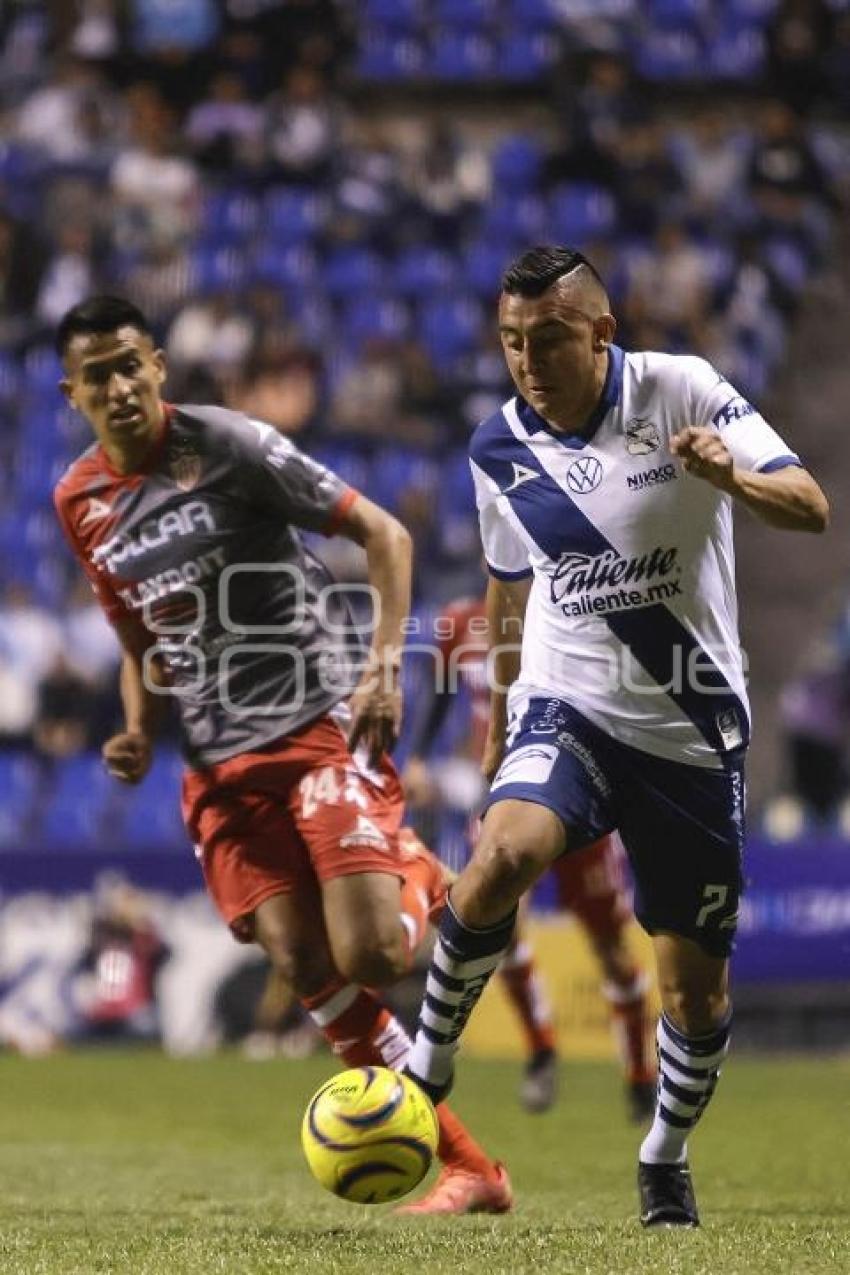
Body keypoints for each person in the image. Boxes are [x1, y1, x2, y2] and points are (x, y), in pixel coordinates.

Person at [52, 294, 511, 1216]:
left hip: (317, 725)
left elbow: (386, 532)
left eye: (131, 363)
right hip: (219, 767)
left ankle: (421, 871)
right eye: (97, 372)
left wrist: (384, 671)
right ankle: (472, 1170)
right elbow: (135, 632)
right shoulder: (80, 502)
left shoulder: (229, 446)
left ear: (159, 369)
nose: (119, 384)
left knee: (372, 954)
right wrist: (139, 724)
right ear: (72, 393)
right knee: (305, 966)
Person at [402, 246, 829, 1227]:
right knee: (501, 853)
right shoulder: (496, 447)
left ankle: (663, 1154)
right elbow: (506, 591)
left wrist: (734, 477)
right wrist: (500, 718)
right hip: (569, 708)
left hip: (685, 728)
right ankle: (420, 1071)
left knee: (695, 996)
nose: (526, 361)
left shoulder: (682, 389)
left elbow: (808, 508)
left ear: (599, 332)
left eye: (546, 339)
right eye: (510, 342)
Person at [404, 592, 655, 1118]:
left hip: (579, 802)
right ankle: (540, 1050)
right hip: (501, 800)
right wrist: (421, 757)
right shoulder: (461, 623)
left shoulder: (572, 616)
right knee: (498, 930)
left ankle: (639, 1074)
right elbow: (438, 696)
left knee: (610, 946)